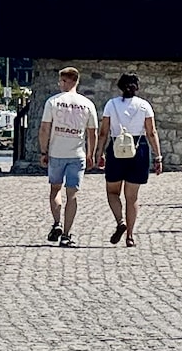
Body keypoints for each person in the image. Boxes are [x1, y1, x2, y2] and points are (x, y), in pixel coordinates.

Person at [98, 72, 162, 247]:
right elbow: (151, 132)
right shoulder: (144, 106)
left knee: (112, 192)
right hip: (138, 149)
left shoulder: (111, 105)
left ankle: (120, 222)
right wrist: (158, 156)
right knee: (132, 197)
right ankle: (130, 236)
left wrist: (99, 153)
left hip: (117, 147)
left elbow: (103, 132)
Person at [38, 66, 98, 247]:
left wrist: (43, 151)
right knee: (72, 194)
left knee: (55, 189)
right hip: (77, 153)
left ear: (65, 81)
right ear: (77, 81)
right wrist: (91, 154)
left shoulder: (53, 102)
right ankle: (66, 234)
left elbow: (44, 128)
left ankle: (57, 222)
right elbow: (92, 132)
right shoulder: (87, 104)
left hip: (57, 152)